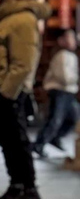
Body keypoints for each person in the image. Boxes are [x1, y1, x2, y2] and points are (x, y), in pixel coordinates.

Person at [0, 0, 52, 199]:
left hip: (8, 91)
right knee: (6, 140)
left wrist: (6, 92)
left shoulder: (23, 19)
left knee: (17, 140)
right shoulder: (7, 15)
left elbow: (23, 63)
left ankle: (29, 189)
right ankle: (16, 186)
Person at [32, 29, 79, 157]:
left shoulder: (72, 55)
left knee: (74, 118)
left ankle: (55, 137)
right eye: (70, 37)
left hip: (69, 92)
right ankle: (39, 144)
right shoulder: (61, 55)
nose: (73, 40)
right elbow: (64, 77)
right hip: (59, 91)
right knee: (55, 120)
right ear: (61, 41)